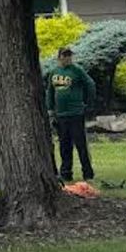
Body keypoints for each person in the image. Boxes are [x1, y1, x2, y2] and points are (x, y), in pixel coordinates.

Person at [45, 45, 97, 183]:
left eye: (69, 55)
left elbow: (90, 84)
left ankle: (88, 173)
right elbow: (50, 91)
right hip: (60, 115)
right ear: (59, 57)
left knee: (81, 144)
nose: (67, 58)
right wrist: (50, 109)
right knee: (64, 145)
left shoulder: (77, 71)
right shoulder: (54, 72)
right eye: (64, 55)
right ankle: (66, 173)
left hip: (76, 113)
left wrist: (88, 103)